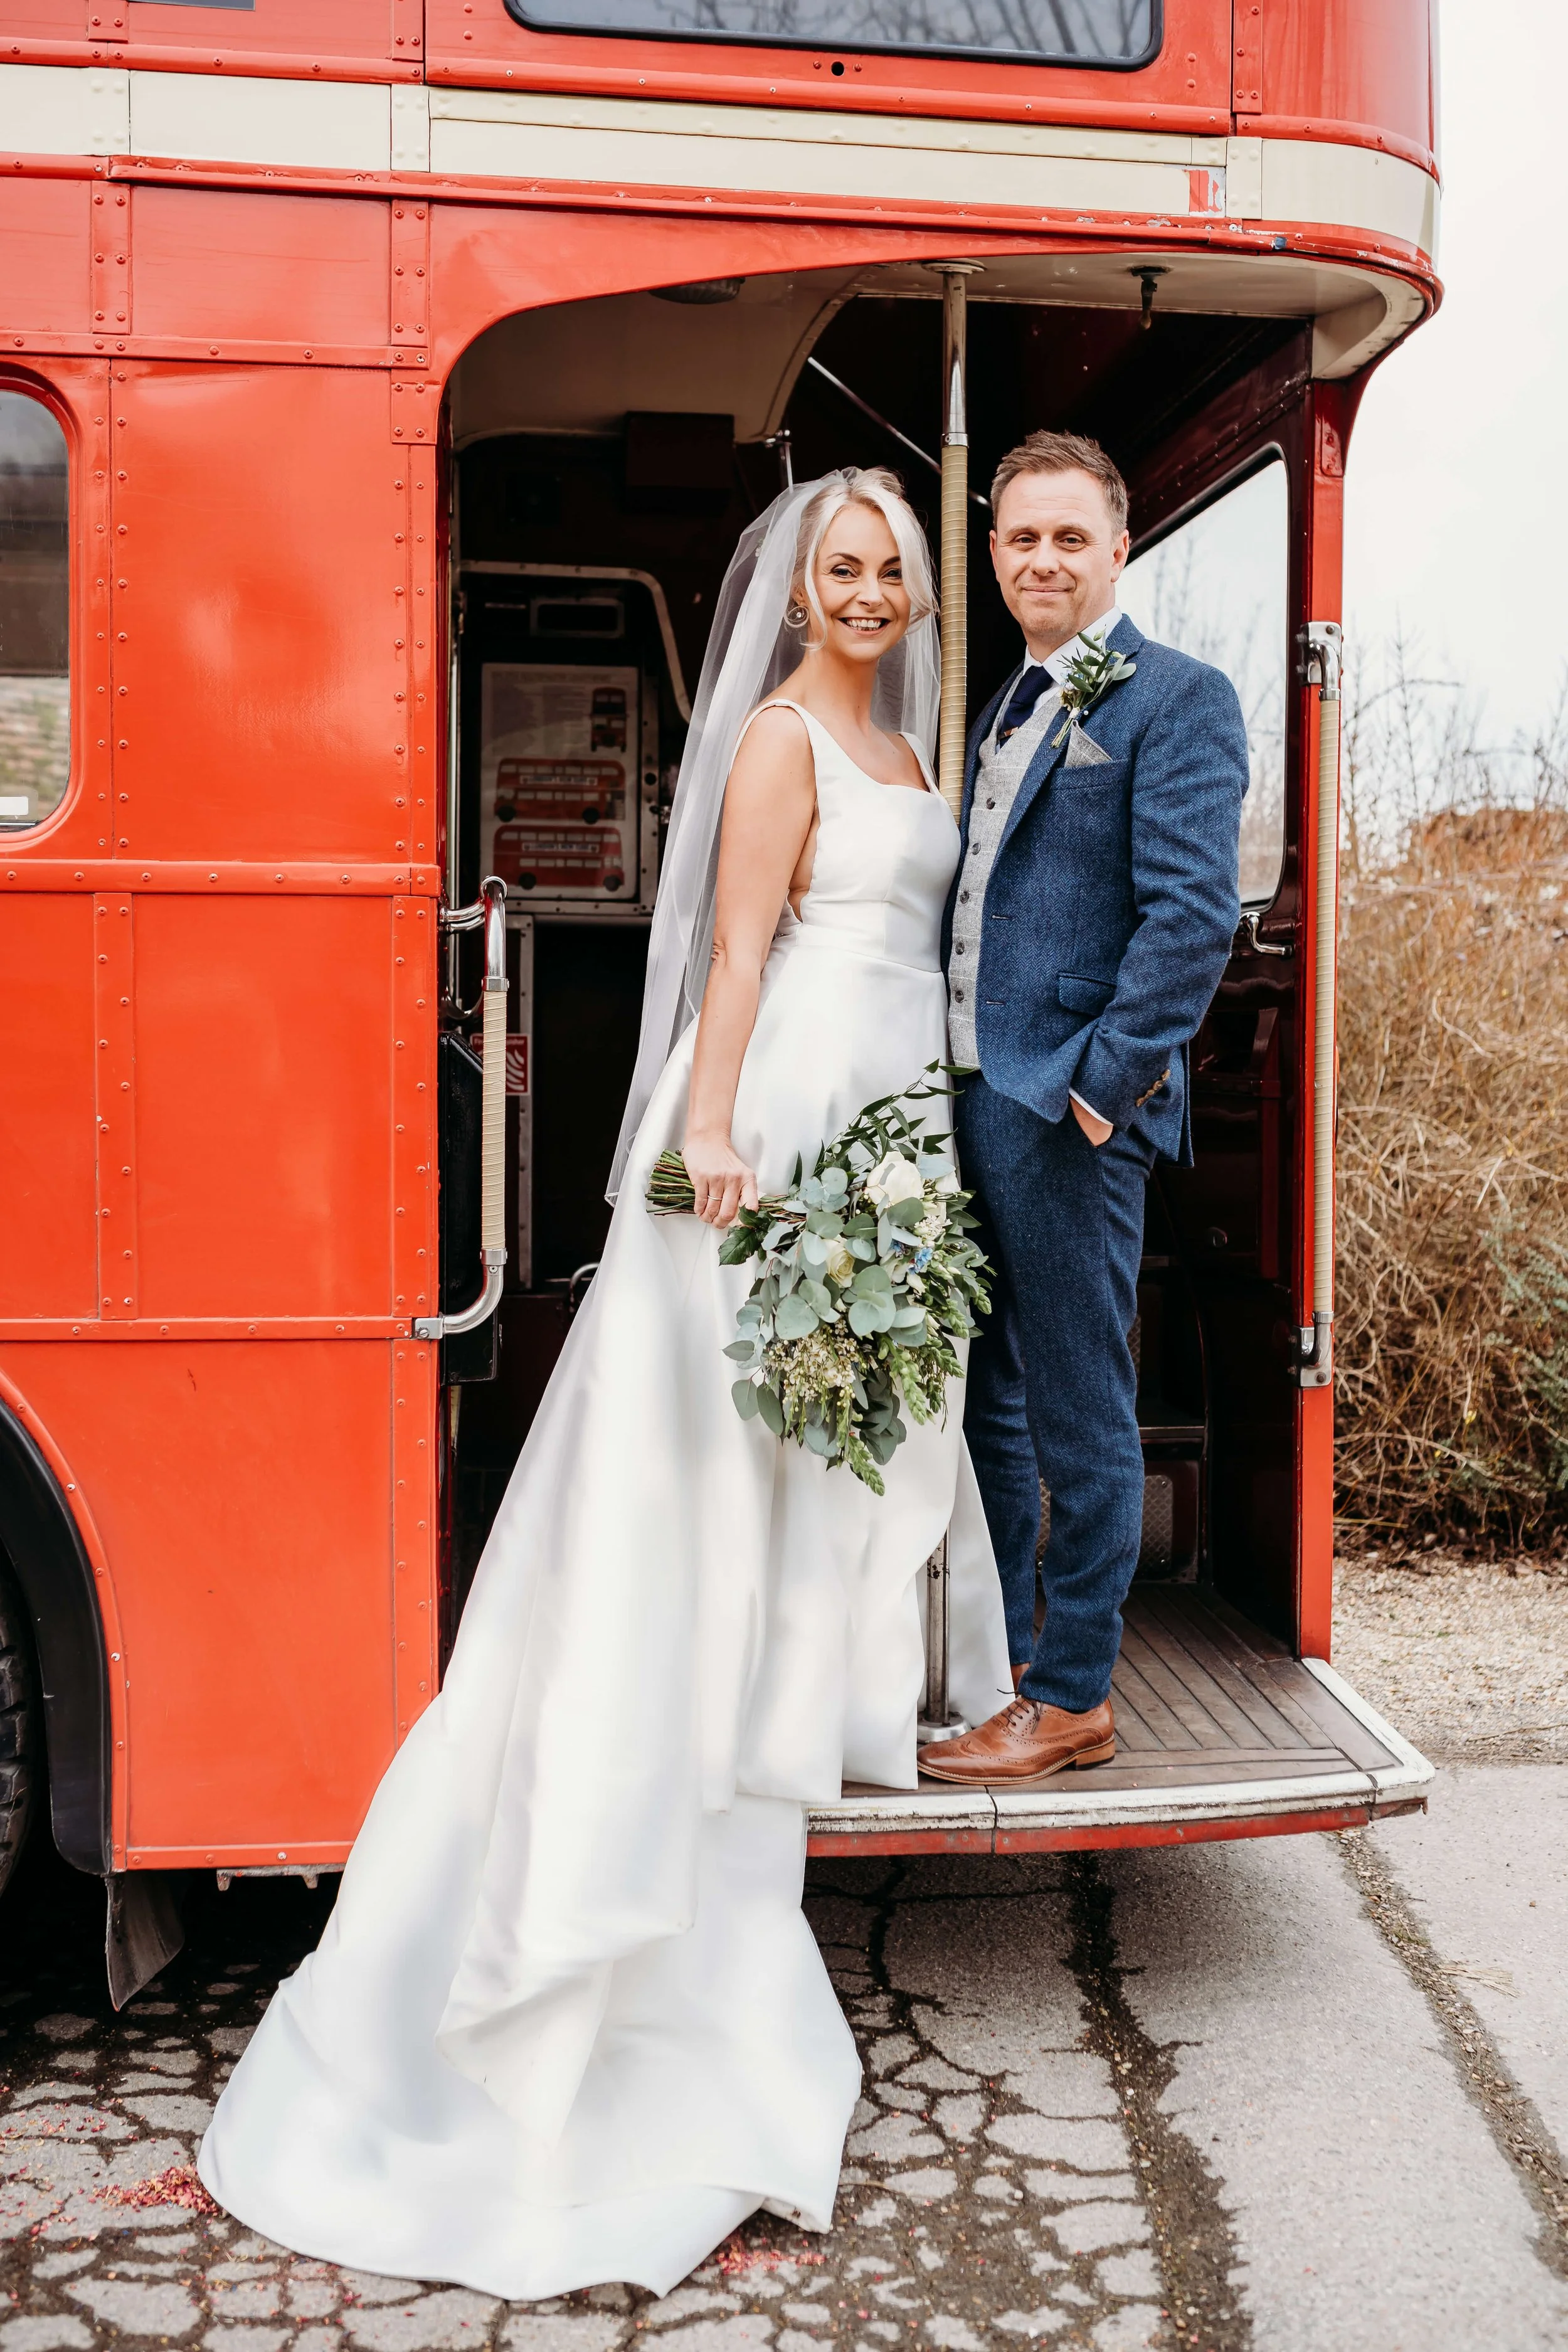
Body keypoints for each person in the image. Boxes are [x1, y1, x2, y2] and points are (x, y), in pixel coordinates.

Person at [198, 469, 1010, 2297]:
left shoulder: (910, 740)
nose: (869, 589)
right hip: (775, 1134)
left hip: (883, 1139)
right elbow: (734, 948)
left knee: (815, 1496)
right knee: (695, 1507)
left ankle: (748, 1795)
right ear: (797, 585)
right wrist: (711, 1131)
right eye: (842, 565)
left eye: (890, 568)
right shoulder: (792, 737)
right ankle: (601, 1916)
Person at [917, 431, 1249, 1788]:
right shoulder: (1005, 702)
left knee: (1077, 1407)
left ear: (1117, 549)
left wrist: (1102, 1093)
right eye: (1018, 537)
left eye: (1068, 536)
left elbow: (1188, 919)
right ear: (990, 555)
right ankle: (1007, 1662)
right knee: (988, 1395)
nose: (1041, 558)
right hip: (968, 1099)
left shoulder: (1177, 697)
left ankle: (1071, 1700)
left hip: (1062, 1112)